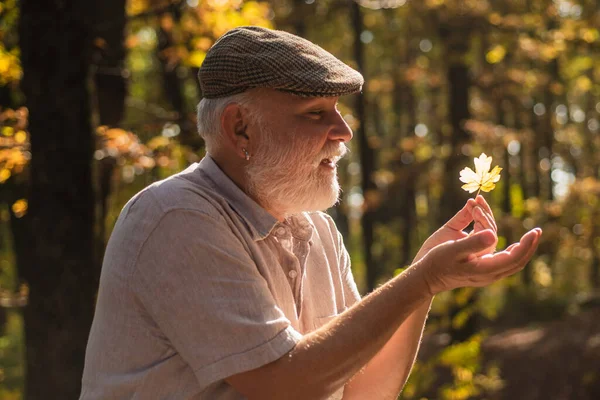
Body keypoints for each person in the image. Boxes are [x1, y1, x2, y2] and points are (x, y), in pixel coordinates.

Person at [80, 26, 542, 400]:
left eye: (338, 111)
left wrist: (425, 279)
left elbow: (363, 390)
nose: (344, 132)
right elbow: (285, 386)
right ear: (239, 127)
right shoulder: (176, 217)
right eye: (315, 113)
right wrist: (421, 280)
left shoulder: (316, 228)